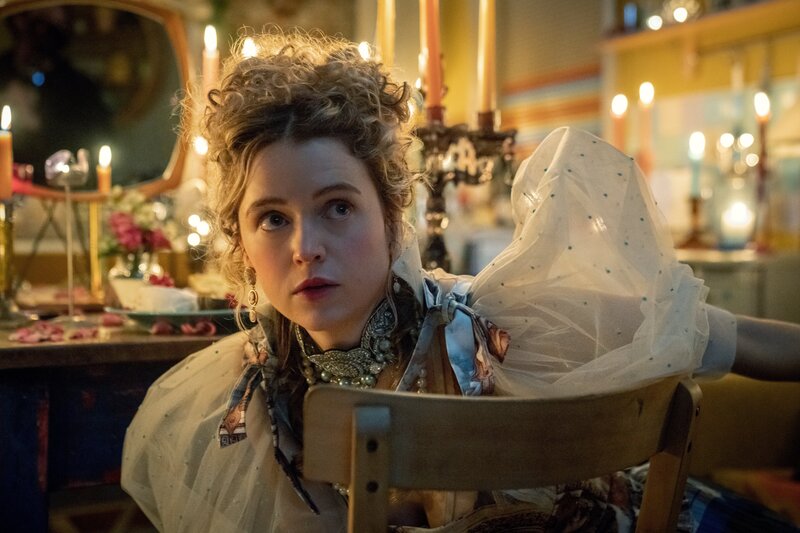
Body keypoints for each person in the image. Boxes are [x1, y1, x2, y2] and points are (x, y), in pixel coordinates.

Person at [121, 31, 800, 532]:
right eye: (272, 218)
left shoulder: (491, 323)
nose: (306, 248)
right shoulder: (241, 402)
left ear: (392, 216)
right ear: (239, 243)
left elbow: (716, 334)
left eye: (338, 207)